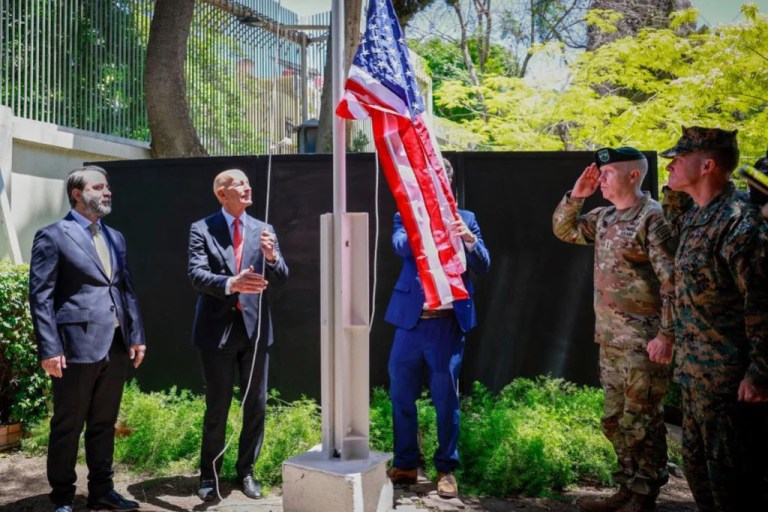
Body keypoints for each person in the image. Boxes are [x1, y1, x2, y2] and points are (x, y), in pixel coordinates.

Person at [552, 147, 677, 512]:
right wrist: (577, 195)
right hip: (610, 339)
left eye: (608, 174)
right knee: (613, 420)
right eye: (600, 174)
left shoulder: (653, 219)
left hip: (645, 342)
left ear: (634, 176)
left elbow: (672, 283)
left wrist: (666, 335)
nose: (601, 179)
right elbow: (564, 230)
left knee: (641, 420)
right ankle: (626, 486)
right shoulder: (604, 217)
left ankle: (644, 492)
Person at [660, 126, 768, 512]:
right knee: (700, 479)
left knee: (736, 487)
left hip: (730, 382)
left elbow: (762, 303)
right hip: (695, 376)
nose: (670, 164)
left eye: (679, 157)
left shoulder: (740, 223)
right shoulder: (694, 218)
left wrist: (760, 373)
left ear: (707, 165)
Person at [28, 165, 146, 512]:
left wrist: (136, 335)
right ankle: (63, 497)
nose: (106, 192)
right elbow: (41, 297)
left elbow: (126, 290)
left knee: (103, 423)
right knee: (68, 424)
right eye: (98, 187)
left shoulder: (116, 237)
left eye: (107, 187)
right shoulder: (53, 235)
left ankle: (101, 492)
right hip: (75, 346)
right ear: (77, 194)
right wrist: (49, 348)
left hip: (115, 345)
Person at [385, 158, 490, 499]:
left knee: (446, 401)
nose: (432, 181)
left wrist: (468, 240)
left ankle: (446, 469)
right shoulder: (407, 214)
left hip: (446, 326)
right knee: (401, 396)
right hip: (410, 323)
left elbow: (483, 264)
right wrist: (424, 225)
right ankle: (406, 464)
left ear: (448, 181)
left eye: (438, 176)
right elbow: (400, 246)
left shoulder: (467, 218)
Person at [188, 168, 288, 502]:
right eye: (238, 184)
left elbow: (283, 275)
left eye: (247, 182)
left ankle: (246, 472)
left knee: (256, 406)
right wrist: (232, 283)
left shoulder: (264, 230)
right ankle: (208, 475)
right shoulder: (202, 228)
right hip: (216, 334)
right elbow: (196, 275)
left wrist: (272, 256)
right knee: (217, 407)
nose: (247, 187)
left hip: (255, 334)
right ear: (221, 193)